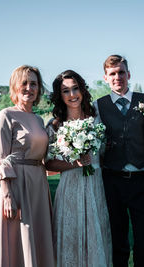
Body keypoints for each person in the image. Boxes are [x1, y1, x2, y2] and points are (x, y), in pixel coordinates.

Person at [0, 65, 55, 267]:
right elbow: (0, 158)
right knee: (19, 238)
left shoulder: (39, 119)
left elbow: (44, 155)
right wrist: (7, 194)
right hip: (17, 186)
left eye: (34, 83)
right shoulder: (5, 116)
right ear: (15, 86)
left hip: (39, 185)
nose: (29, 88)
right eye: (24, 83)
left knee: (38, 239)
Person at [45, 70, 112, 267]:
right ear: (60, 95)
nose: (72, 94)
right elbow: (47, 164)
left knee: (95, 235)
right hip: (69, 190)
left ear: (82, 90)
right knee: (70, 238)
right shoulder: (55, 125)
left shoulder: (97, 120)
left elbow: (105, 155)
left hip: (95, 187)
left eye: (75, 88)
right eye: (66, 91)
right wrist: (74, 163)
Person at [95, 55, 144, 267]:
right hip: (112, 179)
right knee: (118, 238)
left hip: (142, 179)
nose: (117, 77)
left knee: (143, 237)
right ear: (105, 78)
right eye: (112, 73)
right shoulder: (98, 106)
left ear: (129, 74)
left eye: (121, 72)